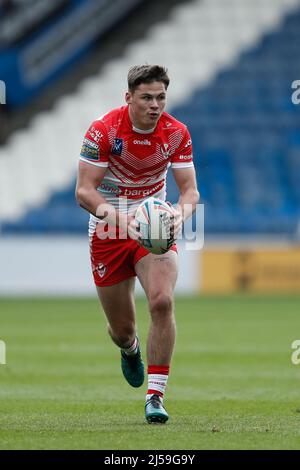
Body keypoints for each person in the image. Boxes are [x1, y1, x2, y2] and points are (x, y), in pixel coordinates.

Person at [76, 65, 199, 423]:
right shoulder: (104, 130)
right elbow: (84, 191)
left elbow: (190, 190)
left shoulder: (176, 133)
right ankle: (130, 350)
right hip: (109, 230)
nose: (155, 105)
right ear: (129, 97)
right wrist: (122, 222)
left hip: (153, 228)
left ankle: (155, 397)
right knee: (122, 330)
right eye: (147, 97)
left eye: (161, 97)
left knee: (162, 302)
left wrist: (180, 214)